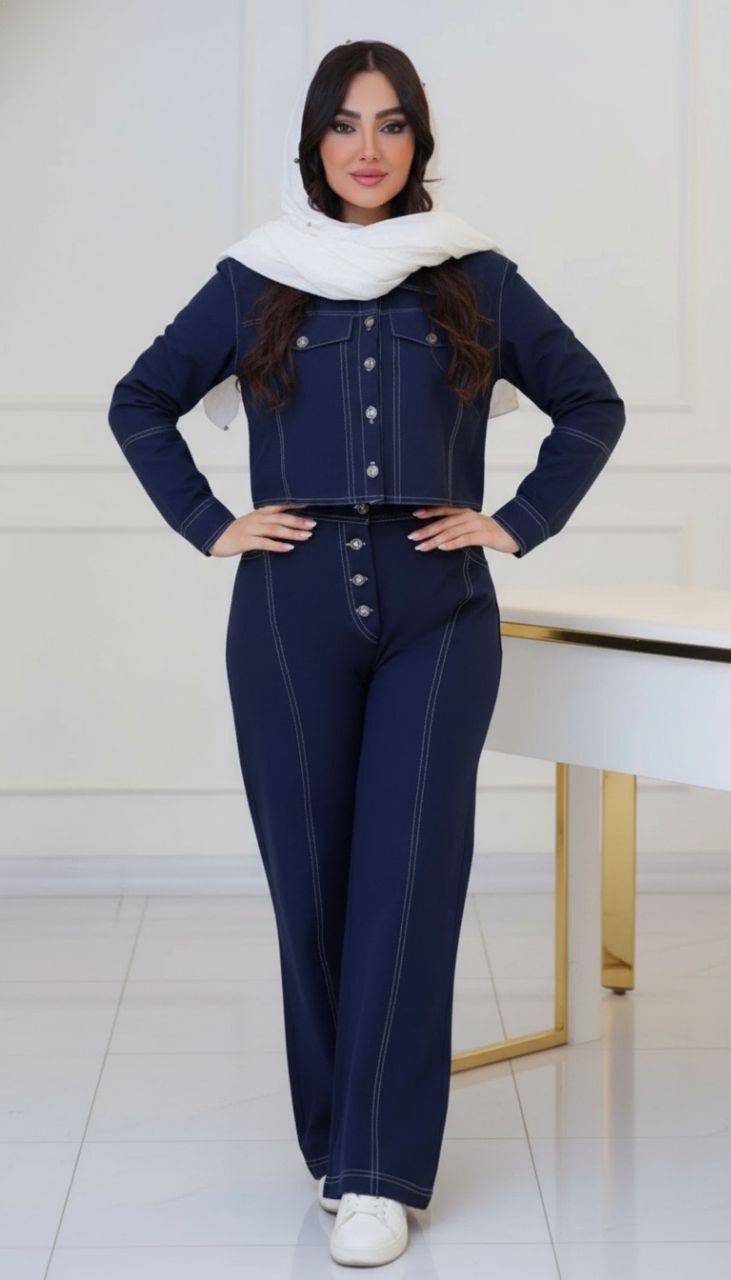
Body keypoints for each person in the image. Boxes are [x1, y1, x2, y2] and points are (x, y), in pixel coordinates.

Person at [108, 39, 625, 1269]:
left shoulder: (470, 275)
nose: (367, 147)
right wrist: (210, 522)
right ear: (314, 142)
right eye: (345, 124)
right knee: (313, 887)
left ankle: (380, 1174)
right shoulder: (257, 277)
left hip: (437, 610)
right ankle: (336, 1142)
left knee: (409, 879)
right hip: (286, 614)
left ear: (417, 142)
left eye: (391, 124)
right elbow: (139, 398)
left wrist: (515, 519)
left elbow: (589, 401)